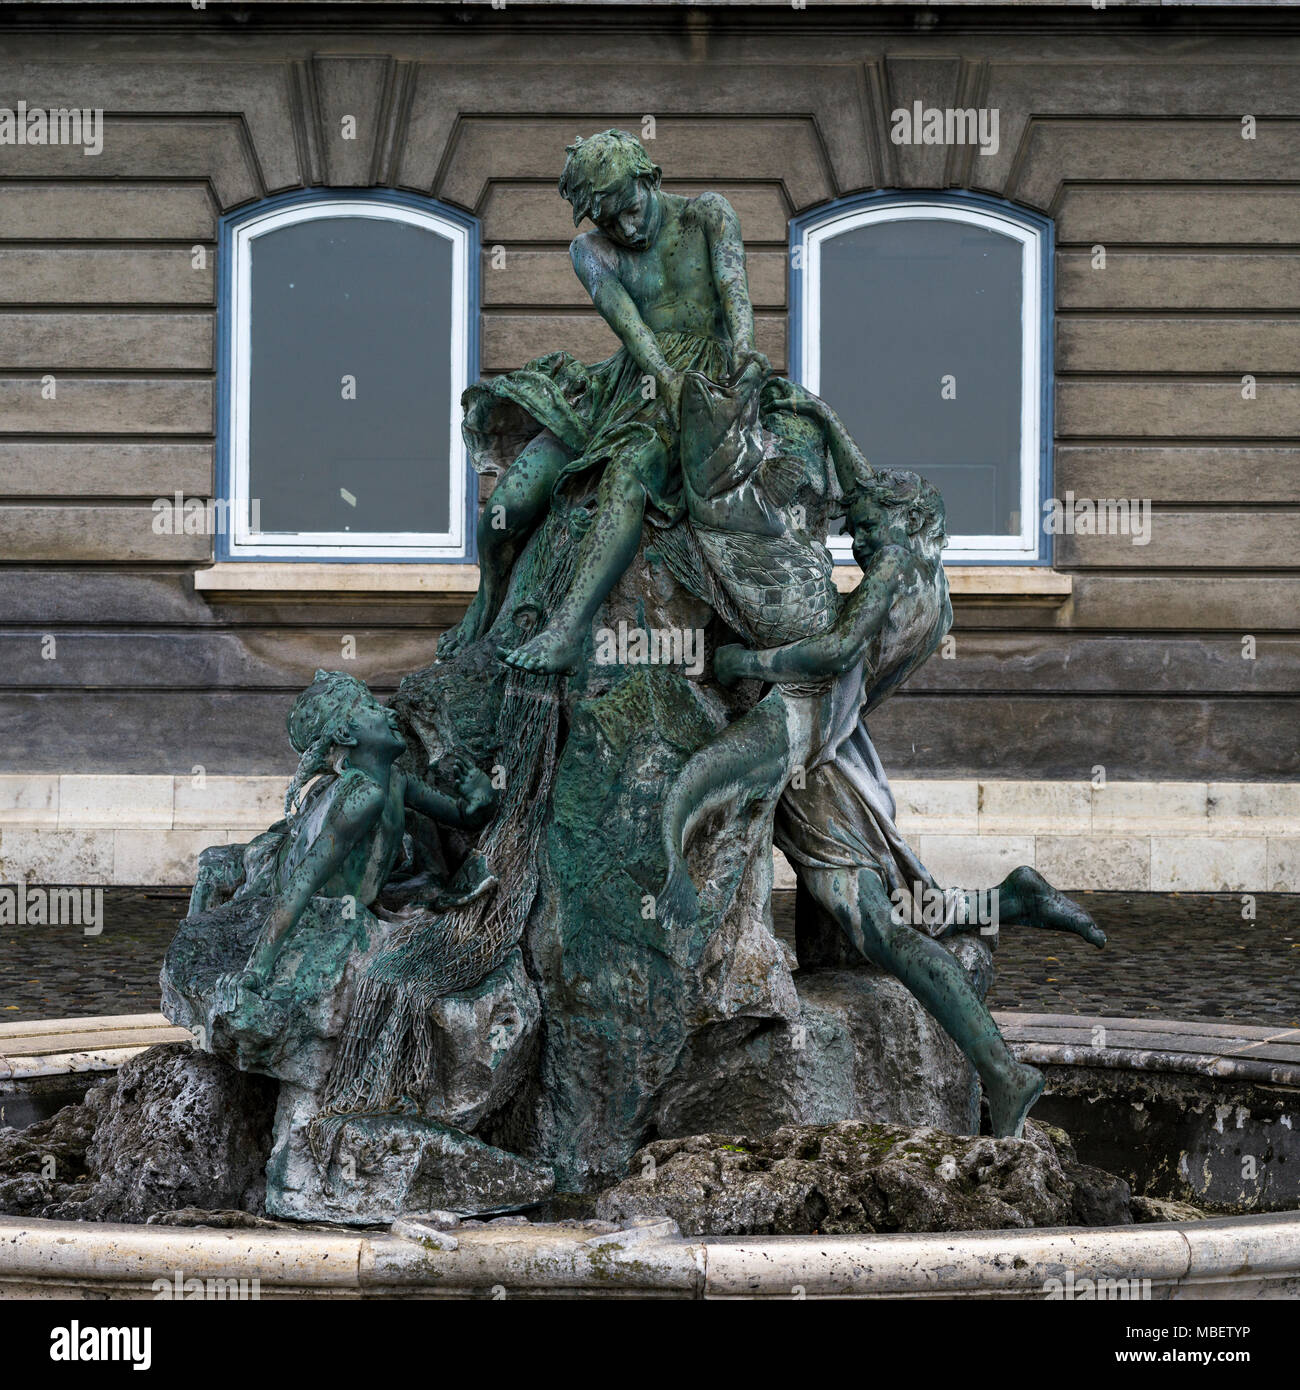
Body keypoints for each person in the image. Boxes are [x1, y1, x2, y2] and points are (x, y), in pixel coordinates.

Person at [660, 470, 1104, 1138]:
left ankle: (1005, 1072)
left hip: (817, 766)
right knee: (890, 918)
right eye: (855, 531)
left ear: (920, 527)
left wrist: (743, 662)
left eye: (871, 527)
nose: (860, 543)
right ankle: (1011, 901)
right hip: (839, 758)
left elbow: (836, 652)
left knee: (885, 934)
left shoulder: (893, 574)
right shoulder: (936, 593)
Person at [439, 128, 770, 673]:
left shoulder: (708, 214)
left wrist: (744, 354)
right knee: (507, 505)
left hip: (698, 384)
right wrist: (659, 372)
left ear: (652, 179)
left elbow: (735, 289)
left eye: (632, 210)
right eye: (609, 220)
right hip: (624, 385)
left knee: (629, 469)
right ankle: (486, 598)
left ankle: (567, 631)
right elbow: (629, 326)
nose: (628, 228)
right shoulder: (590, 250)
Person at [226, 670, 496, 985]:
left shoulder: (397, 779)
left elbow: (463, 817)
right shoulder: (362, 796)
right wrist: (257, 970)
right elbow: (303, 882)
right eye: (371, 708)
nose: (390, 711)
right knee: (218, 865)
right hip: (286, 879)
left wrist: (482, 798)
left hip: (338, 891)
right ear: (345, 736)